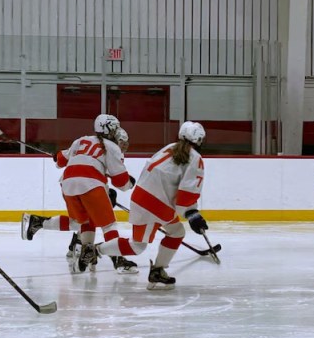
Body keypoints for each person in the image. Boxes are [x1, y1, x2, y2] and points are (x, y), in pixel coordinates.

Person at [90, 121, 209, 290]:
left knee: (172, 233)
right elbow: (186, 194)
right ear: (200, 140)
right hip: (158, 205)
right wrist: (192, 214)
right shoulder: (195, 158)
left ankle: (156, 270)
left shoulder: (169, 147)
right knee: (141, 245)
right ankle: (97, 251)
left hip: (142, 197)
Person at [26, 114, 135, 273]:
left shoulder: (82, 140)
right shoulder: (112, 147)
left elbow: (61, 160)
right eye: (116, 127)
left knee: (84, 221)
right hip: (91, 184)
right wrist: (130, 182)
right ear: (109, 129)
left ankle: (86, 253)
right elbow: (121, 182)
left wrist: (57, 156)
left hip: (67, 184)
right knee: (109, 225)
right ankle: (119, 260)